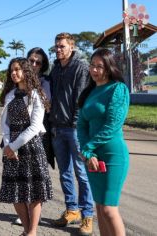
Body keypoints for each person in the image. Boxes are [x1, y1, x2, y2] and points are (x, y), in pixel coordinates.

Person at [0, 57, 53, 236]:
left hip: (31, 147)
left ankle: (32, 231)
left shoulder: (36, 95)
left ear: (26, 71)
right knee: (15, 192)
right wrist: (8, 146)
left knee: (35, 192)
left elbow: (35, 127)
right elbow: (4, 124)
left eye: (18, 69)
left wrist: (13, 146)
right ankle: (26, 229)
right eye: (12, 70)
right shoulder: (9, 95)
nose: (14, 73)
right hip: (11, 148)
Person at [77, 48, 129, 236]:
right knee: (99, 208)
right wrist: (88, 152)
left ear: (109, 67)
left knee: (109, 208)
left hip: (112, 154)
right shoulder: (90, 92)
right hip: (92, 156)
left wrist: (89, 149)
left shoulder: (118, 89)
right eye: (92, 65)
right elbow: (81, 125)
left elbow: (112, 125)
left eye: (100, 66)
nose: (94, 70)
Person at [49, 32, 94, 235]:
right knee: (64, 172)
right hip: (57, 127)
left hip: (74, 129)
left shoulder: (81, 67)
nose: (58, 50)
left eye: (62, 47)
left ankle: (87, 215)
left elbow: (81, 99)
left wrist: (76, 126)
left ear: (72, 47)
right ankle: (72, 210)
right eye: (56, 47)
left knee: (82, 173)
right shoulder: (56, 68)